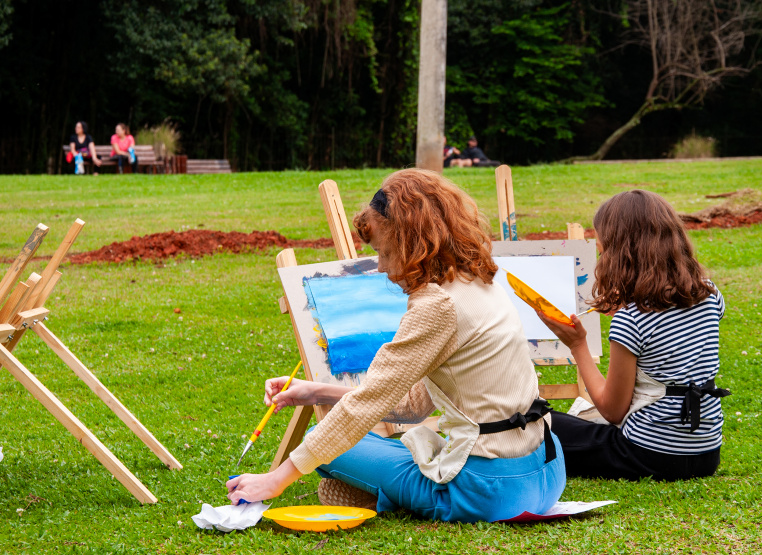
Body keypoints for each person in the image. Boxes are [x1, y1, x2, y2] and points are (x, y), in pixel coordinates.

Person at [226, 169, 565, 523]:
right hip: (546, 470)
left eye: (385, 253)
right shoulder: (477, 280)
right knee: (371, 445)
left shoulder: (436, 305)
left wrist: (274, 481)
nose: (383, 268)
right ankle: (371, 491)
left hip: (489, 490)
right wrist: (316, 392)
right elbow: (413, 406)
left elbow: (366, 406)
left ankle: (374, 495)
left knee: (325, 444)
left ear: (413, 243)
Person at [539, 189, 730, 482]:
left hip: (648, 455)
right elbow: (671, 338)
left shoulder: (632, 319)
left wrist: (578, 345)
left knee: (539, 423)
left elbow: (613, 411)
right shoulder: (711, 294)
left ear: (619, 253)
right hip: (706, 454)